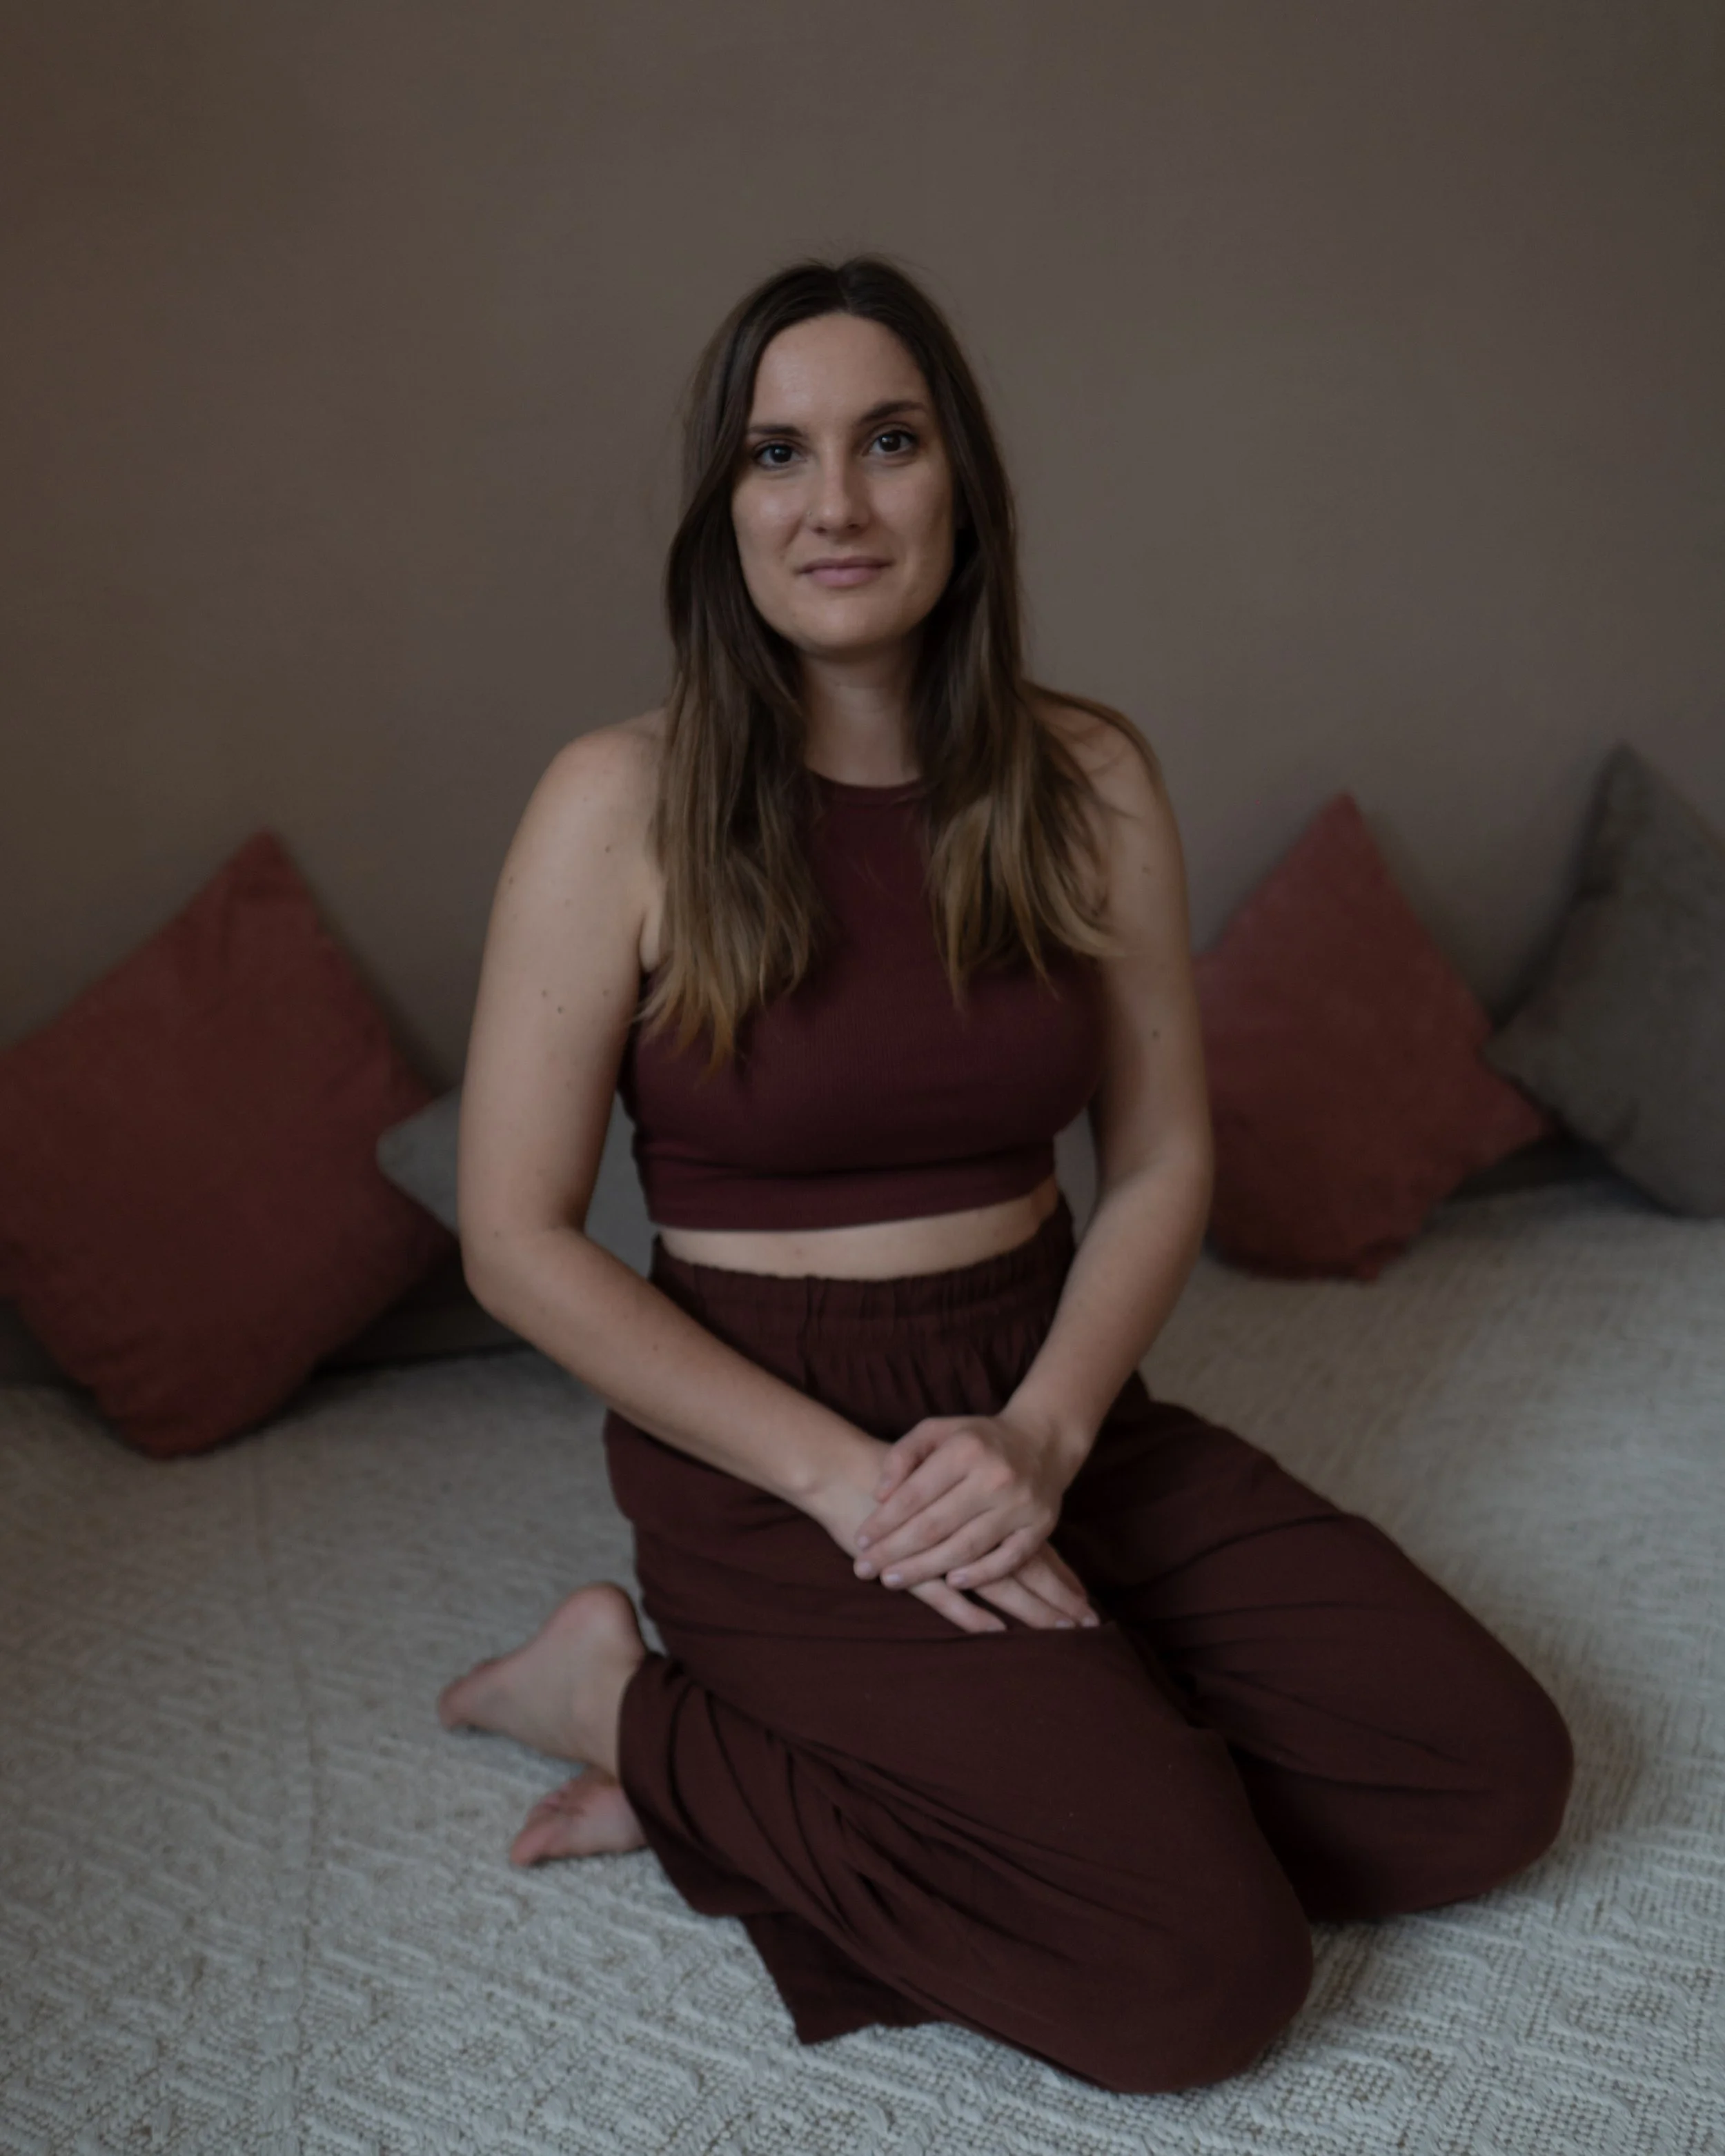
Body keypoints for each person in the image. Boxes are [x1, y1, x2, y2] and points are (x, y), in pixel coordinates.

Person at [437, 255, 1574, 2095]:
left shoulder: (1086, 774)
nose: (833, 501)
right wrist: (848, 1484)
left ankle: (1018, 1737)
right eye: (777, 453)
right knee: (1195, 1974)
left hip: (1046, 1387)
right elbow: (511, 1238)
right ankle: (630, 1707)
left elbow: (1163, 1155)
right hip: (777, 1450)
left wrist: (1042, 1437)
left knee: (1485, 1780)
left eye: (886, 442)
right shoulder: (614, 801)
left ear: (960, 482)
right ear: (725, 509)